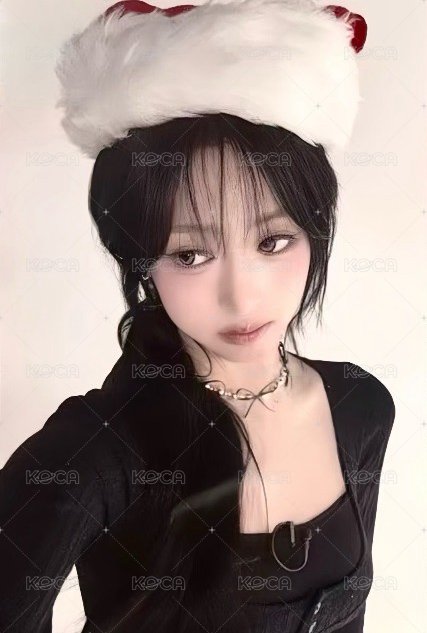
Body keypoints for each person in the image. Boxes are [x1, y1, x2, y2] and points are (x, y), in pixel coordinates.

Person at [0, 1, 395, 632]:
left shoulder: (360, 405)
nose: (241, 297)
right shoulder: (100, 452)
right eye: (190, 254)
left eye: (273, 241)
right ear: (142, 261)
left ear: (315, 232)